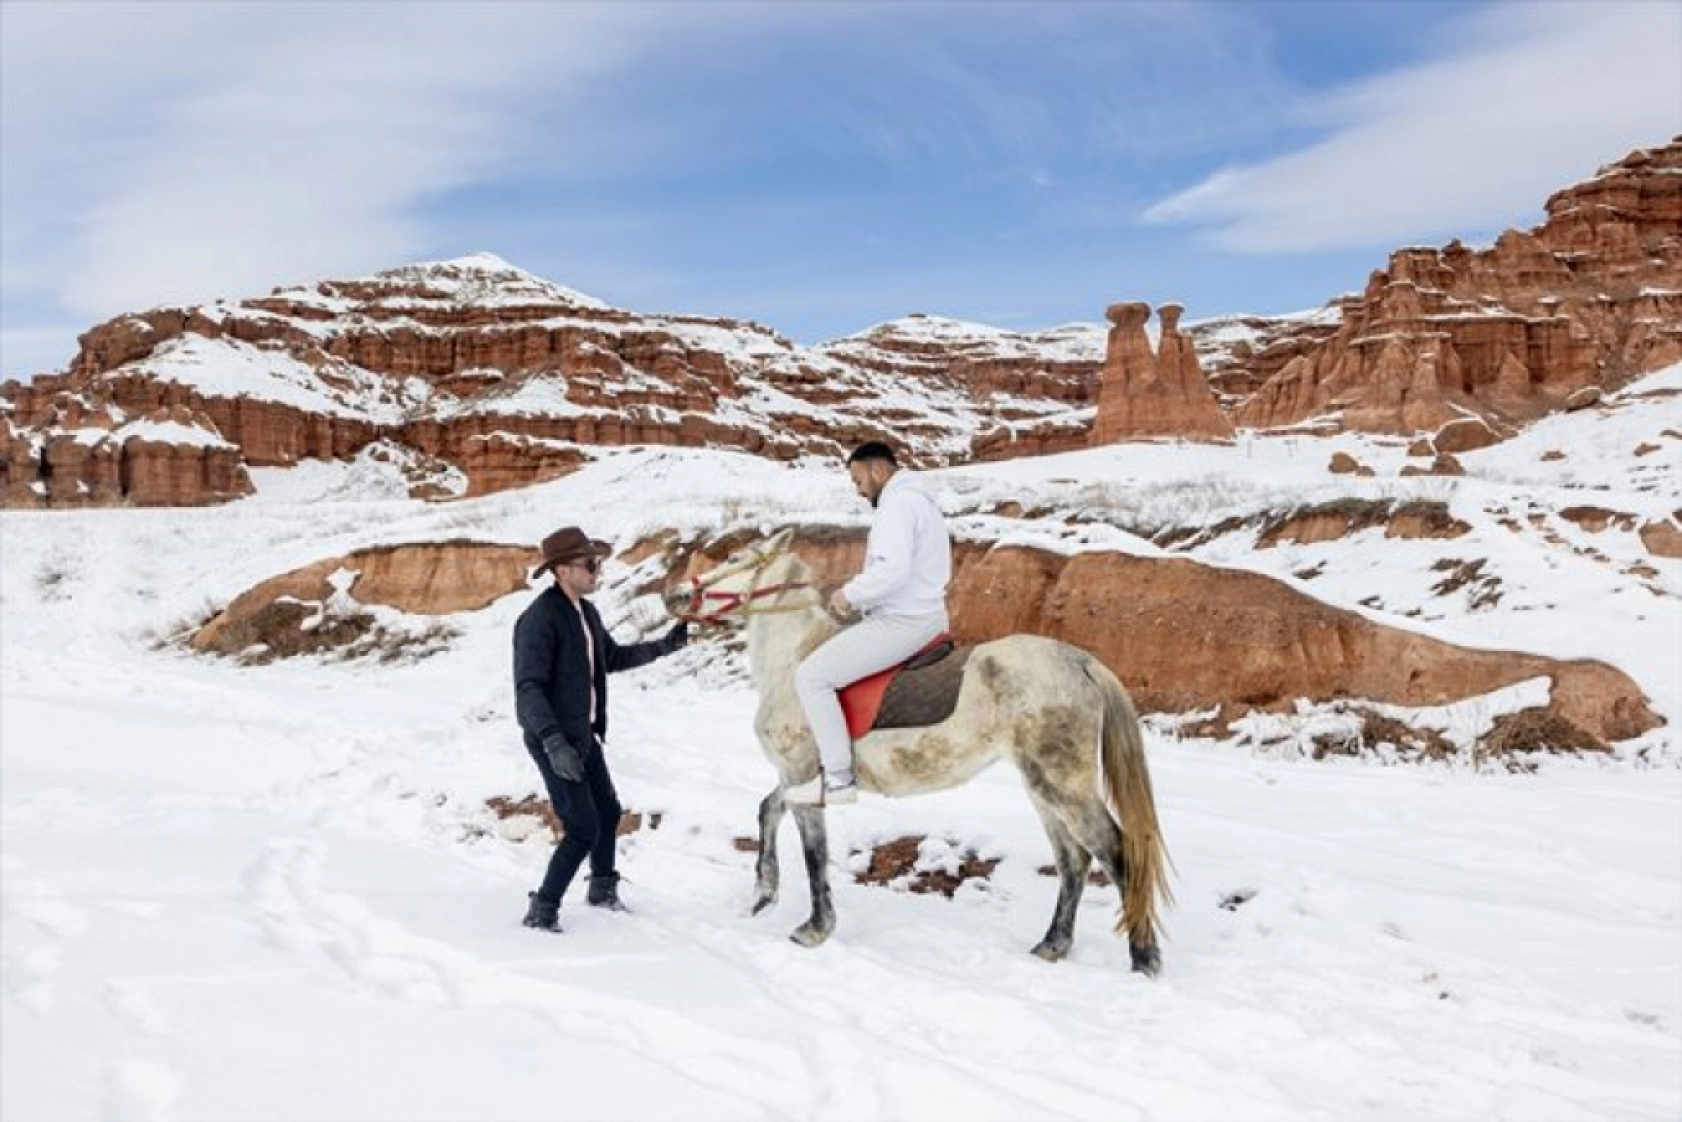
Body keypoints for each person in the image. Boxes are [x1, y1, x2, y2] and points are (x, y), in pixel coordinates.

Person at [514, 525, 689, 932]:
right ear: (562, 571)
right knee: (582, 828)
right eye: (589, 564)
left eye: (597, 563)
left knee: (608, 812)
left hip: (583, 735)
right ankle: (542, 911)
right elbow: (528, 690)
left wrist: (666, 645)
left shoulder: (586, 613)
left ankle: (602, 890)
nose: (597, 571)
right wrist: (554, 743)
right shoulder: (539, 619)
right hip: (554, 739)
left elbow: (611, 658)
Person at [787, 440, 953, 806]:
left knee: (812, 677)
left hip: (904, 622)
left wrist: (850, 595)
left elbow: (892, 571)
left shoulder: (897, 505)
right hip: (921, 614)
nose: (858, 489)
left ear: (878, 470)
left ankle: (838, 781)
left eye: (858, 479)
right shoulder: (918, 501)